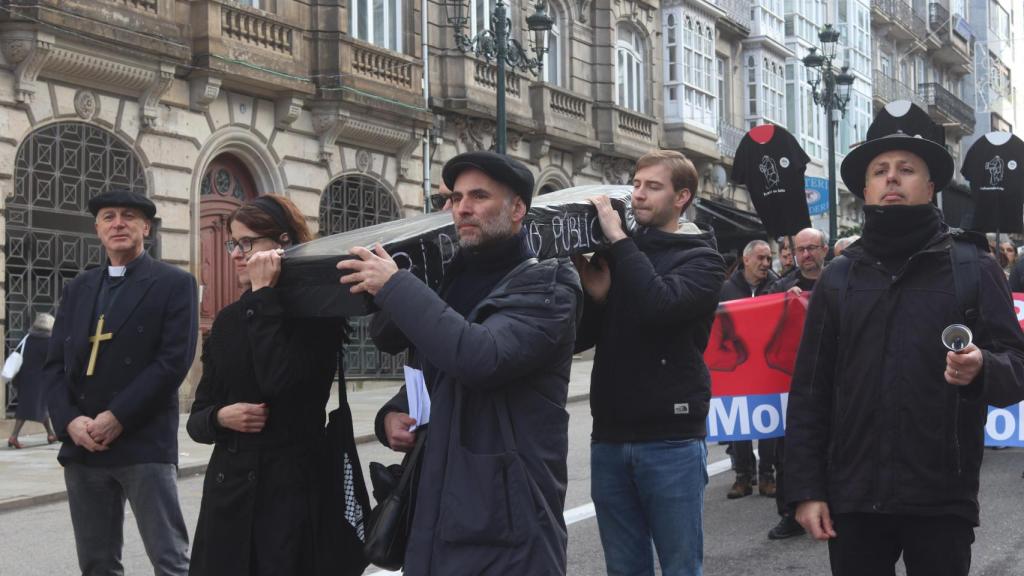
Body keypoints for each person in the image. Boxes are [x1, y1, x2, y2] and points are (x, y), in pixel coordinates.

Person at [786, 128, 1024, 575]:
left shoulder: (974, 265)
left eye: (906, 169)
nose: (892, 178)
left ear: (930, 189)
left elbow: (1017, 365)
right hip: (855, 495)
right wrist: (806, 488)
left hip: (941, 496)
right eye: (880, 171)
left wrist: (982, 368)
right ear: (866, 191)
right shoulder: (838, 276)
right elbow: (810, 390)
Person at [339, 151, 582, 574]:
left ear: (517, 209)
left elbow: (480, 357)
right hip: (437, 507)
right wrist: (393, 413)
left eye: (479, 196)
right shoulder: (451, 278)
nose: (462, 207)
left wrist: (396, 285)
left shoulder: (549, 284)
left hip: (506, 521)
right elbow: (431, 365)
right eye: (455, 198)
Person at [573, 150, 726, 576]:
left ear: (681, 197)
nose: (638, 194)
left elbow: (661, 305)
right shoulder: (624, 254)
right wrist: (596, 298)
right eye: (636, 184)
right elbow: (581, 340)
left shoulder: (702, 259)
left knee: (680, 566)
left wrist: (620, 242)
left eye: (653, 187)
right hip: (610, 437)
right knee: (623, 568)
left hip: (671, 439)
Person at [186, 195, 350, 575]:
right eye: (233, 243)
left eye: (247, 243)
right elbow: (197, 418)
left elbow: (279, 381)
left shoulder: (319, 313)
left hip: (291, 496)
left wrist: (264, 296)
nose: (236, 254)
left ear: (283, 243)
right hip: (229, 498)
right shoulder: (228, 320)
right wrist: (220, 418)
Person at [46, 189, 198, 576]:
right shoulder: (78, 288)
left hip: (143, 441)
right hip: (84, 445)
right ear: (97, 228)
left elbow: (172, 363)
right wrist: (69, 421)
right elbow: (54, 366)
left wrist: (118, 416)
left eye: (128, 216)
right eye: (108, 217)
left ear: (146, 228)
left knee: (170, 560)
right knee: (97, 564)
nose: (118, 224)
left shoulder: (174, 283)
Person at [765, 226, 827, 540]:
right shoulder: (781, 286)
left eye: (812, 248)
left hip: (831, 377)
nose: (805, 254)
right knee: (788, 449)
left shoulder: (839, 280)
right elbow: (763, 323)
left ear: (824, 250)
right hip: (792, 381)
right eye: (800, 249)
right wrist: (781, 304)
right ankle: (789, 513)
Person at [720, 240, 777, 499]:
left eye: (769, 259)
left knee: (770, 423)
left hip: (767, 367)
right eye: (760, 258)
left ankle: (767, 475)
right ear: (746, 259)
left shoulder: (777, 286)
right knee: (739, 424)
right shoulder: (726, 289)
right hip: (737, 367)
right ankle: (743, 476)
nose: (766, 263)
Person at [7, 313, 57, 448]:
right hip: (40, 380)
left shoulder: (27, 338)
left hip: (24, 378)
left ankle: (51, 434)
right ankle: (13, 437)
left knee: (39, 406)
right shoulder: (49, 341)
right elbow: (53, 360)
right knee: (34, 407)